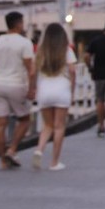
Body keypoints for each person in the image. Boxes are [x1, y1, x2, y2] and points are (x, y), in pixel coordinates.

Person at [0, 11, 36, 170]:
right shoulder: (24, 43)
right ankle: (12, 149)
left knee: (0, 124)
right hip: (16, 84)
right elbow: (31, 69)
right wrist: (32, 88)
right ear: (19, 23)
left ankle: (2, 160)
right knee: (25, 120)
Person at [32, 23, 77, 171]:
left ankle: (39, 149)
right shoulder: (67, 50)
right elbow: (72, 71)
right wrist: (72, 90)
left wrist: (33, 88)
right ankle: (54, 162)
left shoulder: (41, 51)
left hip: (44, 91)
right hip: (62, 90)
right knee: (59, 127)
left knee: (48, 126)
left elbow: (33, 72)